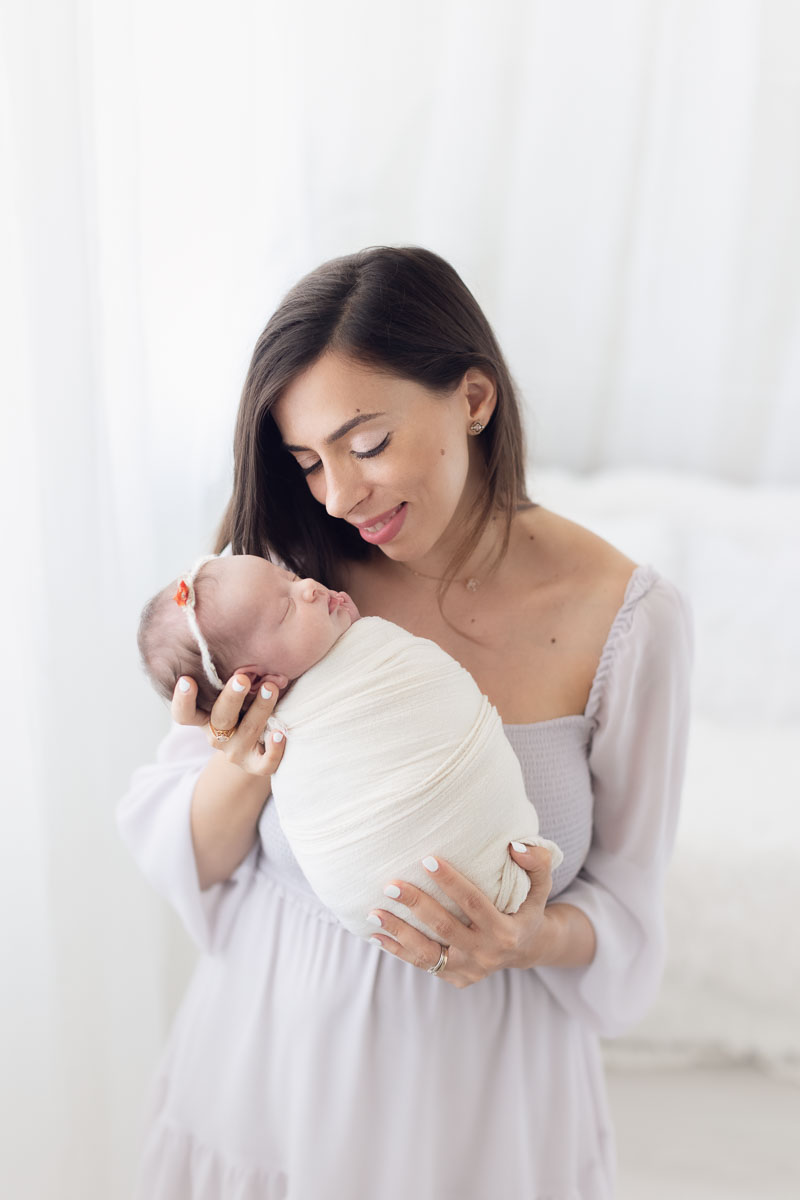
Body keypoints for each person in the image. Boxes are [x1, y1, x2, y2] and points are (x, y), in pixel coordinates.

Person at [118, 245, 693, 1199]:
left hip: (490, 1104)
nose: (339, 496)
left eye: (368, 444)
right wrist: (241, 762)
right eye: (306, 461)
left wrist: (527, 938)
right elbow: (188, 849)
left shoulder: (628, 622)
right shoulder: (284, 585)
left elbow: (627, 910)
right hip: (276, 1071)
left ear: (473, 399)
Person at [137, 552, 563, 942]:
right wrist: (248, 744)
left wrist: (536, 945)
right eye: (287, 609)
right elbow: (189, 864)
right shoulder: (229, 620)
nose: (308, 587)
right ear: (249, 680)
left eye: (290, 577)